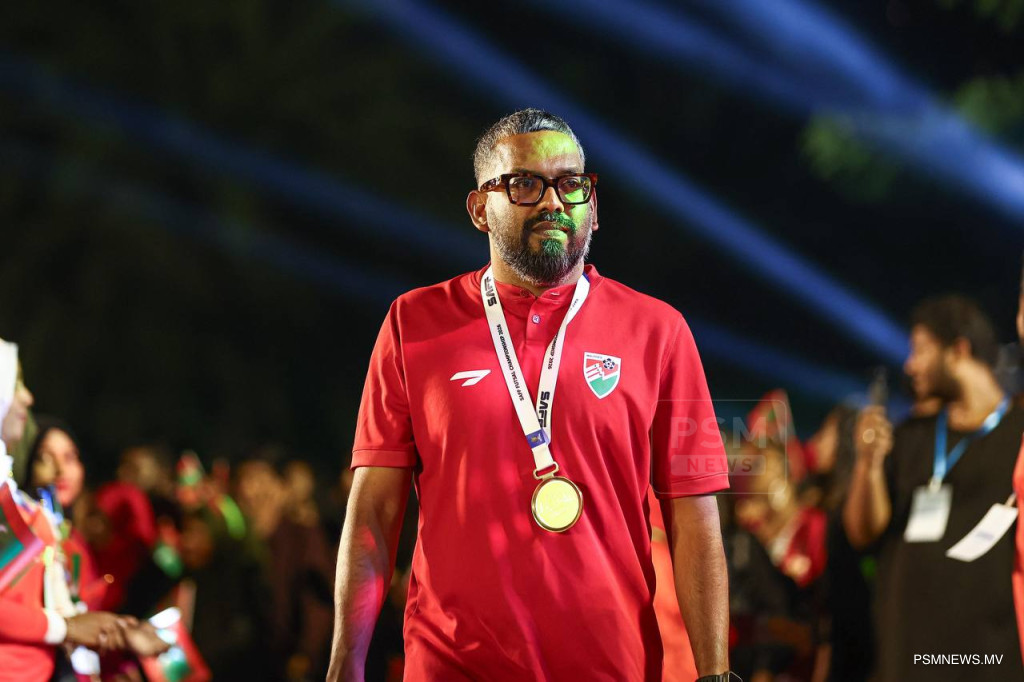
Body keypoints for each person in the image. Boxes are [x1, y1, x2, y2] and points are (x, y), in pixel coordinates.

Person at [327, 109, 733, 682]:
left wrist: (715, 672)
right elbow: (374, 510)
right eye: (525, 184)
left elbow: (694, 516)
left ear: (593, 207)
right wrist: (345, 664)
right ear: (479, 209)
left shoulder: (660, 331)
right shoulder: (413, 323)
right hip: (452, 665)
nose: (553, 202)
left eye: (571, 184)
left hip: (610, 666)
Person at [843, 296, 1024, 681]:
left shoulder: (1019, 433)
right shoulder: (910, 436)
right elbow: (862, 532)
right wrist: (867, 464)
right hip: (905, 660)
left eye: (921, 350)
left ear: (959, 350)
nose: (910, 365)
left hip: (990, 661)